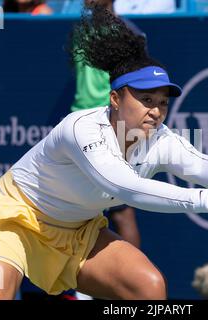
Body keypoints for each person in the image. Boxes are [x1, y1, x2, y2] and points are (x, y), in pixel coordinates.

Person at [0, 4, 208, 300]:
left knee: (148, 288)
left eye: (162, 102)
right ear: (115, 99)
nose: (156, 111)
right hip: (14, 221)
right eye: (146, 99)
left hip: (77, 234)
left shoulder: (160, 138)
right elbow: (123, 187)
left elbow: (199, 164)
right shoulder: (81, 128)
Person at [71, 0, 142, 249]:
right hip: (78, 125)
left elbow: (132, 89)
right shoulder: (82, 30)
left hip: (108, 126)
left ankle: (132, 283)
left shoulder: (129, 34)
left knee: (120, 210)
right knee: (76, 208)